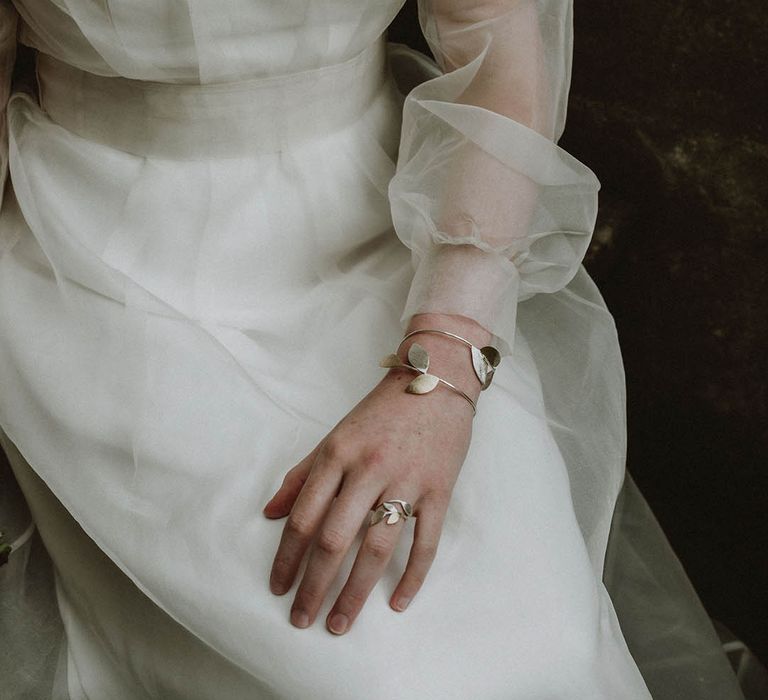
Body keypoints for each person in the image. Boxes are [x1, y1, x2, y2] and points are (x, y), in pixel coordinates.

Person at [0, 1, 747, 698]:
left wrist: (444, 365)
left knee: (536, 643)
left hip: (411, 236)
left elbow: (503, 58)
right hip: (85, 255)